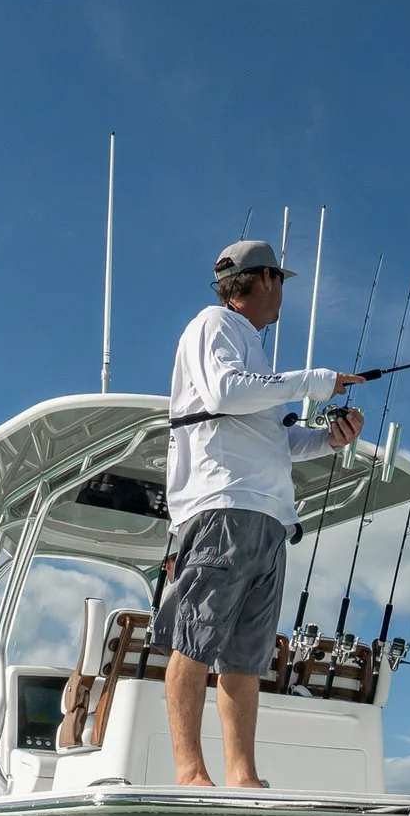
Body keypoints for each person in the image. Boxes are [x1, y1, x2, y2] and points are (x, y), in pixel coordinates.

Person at [155, 239, 364, 787]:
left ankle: (243, 775)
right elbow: (225, 392)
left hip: (269, 515)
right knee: (195, 638)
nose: (281, 293)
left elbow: (276, 440)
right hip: (224, 503)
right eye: (280, 280)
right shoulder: (213, 325)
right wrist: (315, 380)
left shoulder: (253, 348)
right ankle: (189, 771)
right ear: (264, 279)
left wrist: (330, 439)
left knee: (246, 656)